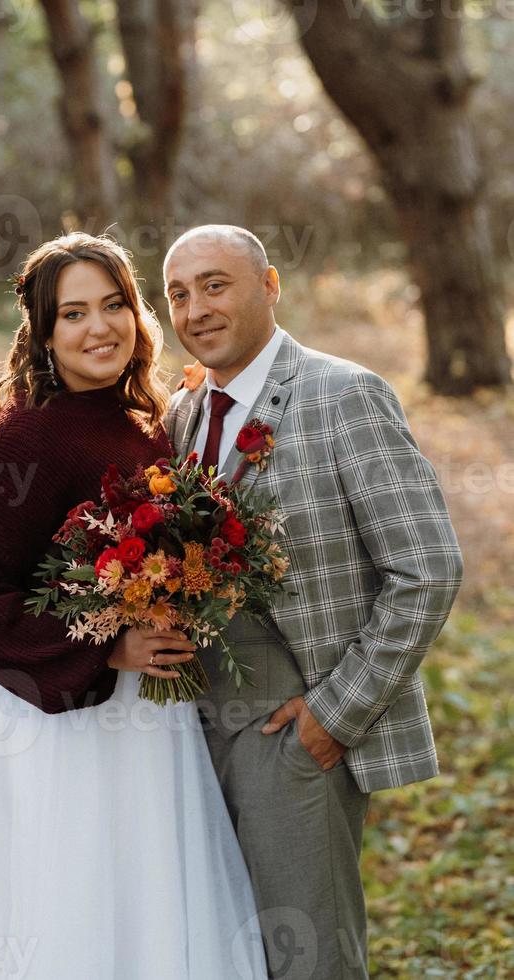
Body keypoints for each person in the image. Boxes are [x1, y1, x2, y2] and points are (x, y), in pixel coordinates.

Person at [0, 232, 268, 980]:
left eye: (114, 304)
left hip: (147, 721)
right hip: (49, 720)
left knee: (147, 892)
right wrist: (107, 647)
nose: (100, 328)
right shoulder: (22, 441)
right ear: (43, 332)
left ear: (136, 312)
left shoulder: (142, 421)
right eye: (73, 314)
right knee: (70, 894)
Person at [164, 224, 464, 980]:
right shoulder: (185, 414)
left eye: (215, 284)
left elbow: (427, 568)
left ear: (269, 287)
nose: (195, 308)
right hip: (188, 731)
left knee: (309, 957)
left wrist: (335, 716)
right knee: (223, 950)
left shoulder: (344, 394)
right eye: (177, 293)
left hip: (293, 727)